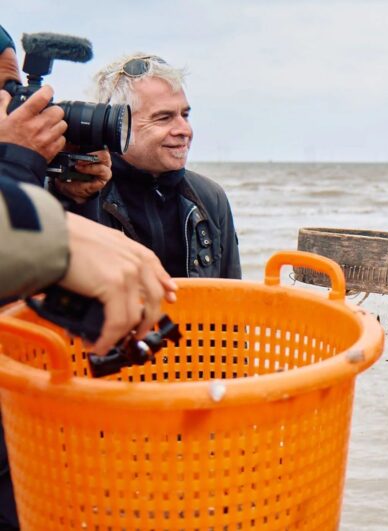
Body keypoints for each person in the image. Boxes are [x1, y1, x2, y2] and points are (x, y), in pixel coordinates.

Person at [0, 25, 178, 529]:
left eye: (13, 92)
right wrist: (17, 166)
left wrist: (72, 196)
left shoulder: (203, 199)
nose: (12, 108)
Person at [57, 53, 241, 279]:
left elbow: (233, 297)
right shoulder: (77, 193)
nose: (185, 130)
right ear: (116, 125)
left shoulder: (210, 197)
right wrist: (79, 201)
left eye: (185, 115)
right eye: (164, 118)